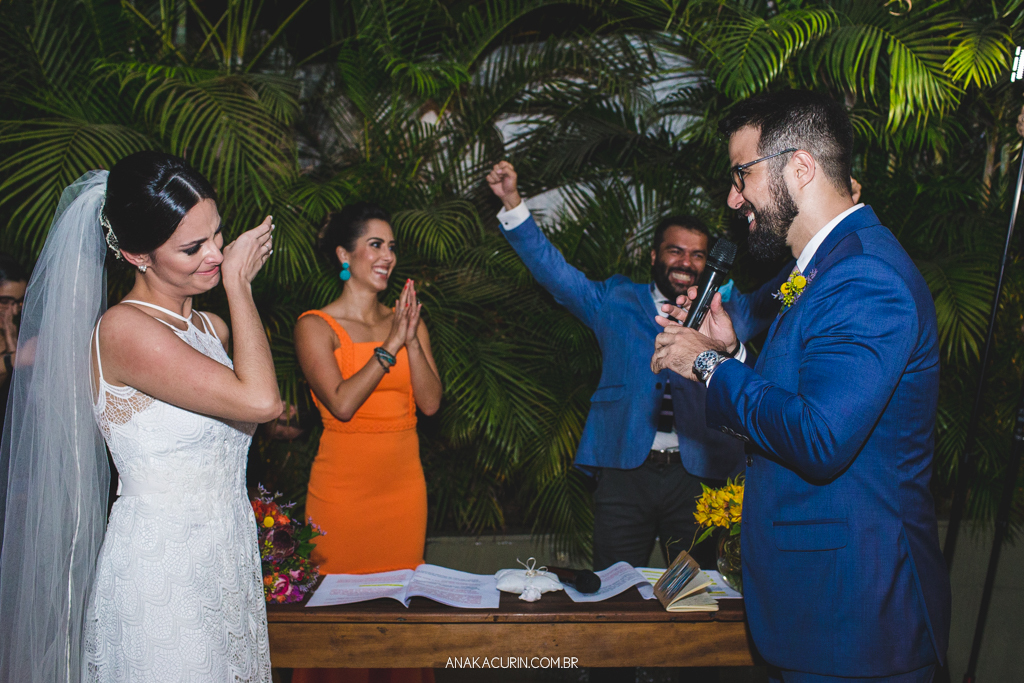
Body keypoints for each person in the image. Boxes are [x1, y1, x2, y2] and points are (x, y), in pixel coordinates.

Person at [652, 90, 950, 681]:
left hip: (857, 619)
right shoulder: (815, 271)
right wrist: (731, 348)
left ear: (800, 167)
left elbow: (819, 436)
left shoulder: (866, 275)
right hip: (821, 612)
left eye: (742, 175)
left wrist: (707, 367)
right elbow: (804, 385)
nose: (734, 199)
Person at [0, 151, 282, 682]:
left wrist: (231, 302)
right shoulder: (124, 331)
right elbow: (262, 402)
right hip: (164, 572)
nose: (217, 255)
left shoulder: (213, 330)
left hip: (226, 558)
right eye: (193, 247)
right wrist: (241, 287)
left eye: (218, 235)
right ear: (136, 254)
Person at [486, 161, 779, 572]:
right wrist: (512, 203)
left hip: (697, 475)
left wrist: (827, 215)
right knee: (614, 591)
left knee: (695, 594)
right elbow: (554, 273)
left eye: (697, 255)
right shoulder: (614, 299)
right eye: (676, 250)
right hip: (624, 470)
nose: (686, 261)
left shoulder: (728, 314)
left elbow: (783, 288)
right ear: (654, 254)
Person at [291, 203, 442, 683]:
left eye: (392, 246)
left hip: (403, 492)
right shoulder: (315, 325)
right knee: (340, 631)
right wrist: (390, 346)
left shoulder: (406, 321)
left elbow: (432, 402)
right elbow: (340, 403)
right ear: (344, 253)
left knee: (399, 617)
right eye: (375, 244)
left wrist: (411, 338)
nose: (387, 256)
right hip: (343, 495)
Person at [0, 253, 28, 428]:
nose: (14, 312)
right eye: (4, 301)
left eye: (18, 303)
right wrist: (13, 358)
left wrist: (12, 342)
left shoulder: (17, 336)